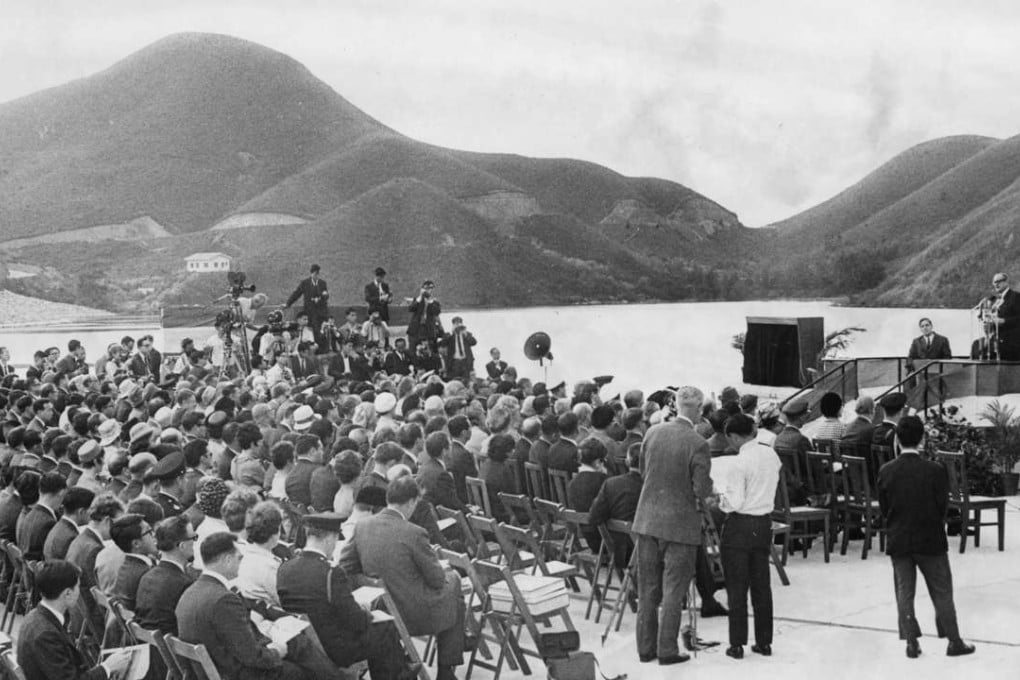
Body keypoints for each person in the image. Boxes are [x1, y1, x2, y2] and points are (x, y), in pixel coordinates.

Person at [339, 477, 466, 680]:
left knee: (453, 596)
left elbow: (345, 567)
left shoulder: (362, 526)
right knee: (455, 582)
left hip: (382, 609)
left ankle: (451, 653)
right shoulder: (414, 533)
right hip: (414, 614)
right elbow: (436, 580)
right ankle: (446, 667)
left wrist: (371, 582)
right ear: (410, 502)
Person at [877, 415, 976, 659]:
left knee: (904, 592)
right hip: (930, 538)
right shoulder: (935, 470)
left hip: (899, 538)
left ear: (897, 440)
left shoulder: (886, 471)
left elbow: (884, 506)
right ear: (922, 438)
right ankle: (953, 640)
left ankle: (911, 642)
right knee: (942, 590)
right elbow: (943, 505)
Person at [277, 512, 414, 680]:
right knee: (385, 627)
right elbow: (356, 621)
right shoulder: (331, 573)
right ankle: (400, 675)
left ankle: (402, 673)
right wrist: (366, 611)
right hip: (336, 648)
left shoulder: (284, 569)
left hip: (307, 645)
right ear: (330, 539)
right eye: (335, 541)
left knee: (380, 632)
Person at [632, 385, 713, 665]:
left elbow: (644, 472)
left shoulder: (652, 433)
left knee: (647, 590)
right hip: (680, 525)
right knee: (673, 591)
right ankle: (667, 650)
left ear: (676, 405)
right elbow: (701, 489)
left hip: (648, 519)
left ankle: (645, 648)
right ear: (699, 409)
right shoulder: (698, 442)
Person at [175, 532, 307, 680]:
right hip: (233, 674)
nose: (241, 562)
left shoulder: (190, 592)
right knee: (297, 670)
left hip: (209, 671)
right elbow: (252, 657)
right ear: (227, 560)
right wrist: (277, 651)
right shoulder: (223, 599)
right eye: (239, 558)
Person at [716, 413, 781, 659]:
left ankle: (737, 643)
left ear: (734, 436)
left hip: (739, 524)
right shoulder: (771, 454)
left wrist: (720, 498)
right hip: (763, 522)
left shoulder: (738, 462)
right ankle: (764, 641)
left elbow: (734, 502)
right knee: (761, 584)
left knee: (737, 586)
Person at [17, 560, 132, 680]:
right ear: (67, 593)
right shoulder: (46, 635)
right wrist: (107, 667)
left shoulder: (34, 617)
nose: (79, 591)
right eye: (77, 586)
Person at [135, 515, 197, 635]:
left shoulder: (147, 576)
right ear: (182, 546)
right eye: (194, 537)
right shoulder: (183, 584)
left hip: (152, 644)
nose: (195, 543)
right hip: (173, 649)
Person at [285, 264, 329, 341]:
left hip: (320, 311)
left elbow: (325, 296)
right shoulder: (305, 283)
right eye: (315, 274)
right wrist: (288, 303)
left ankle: (320, 347)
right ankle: (310, 344)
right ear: (311, 273)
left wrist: (322, 297)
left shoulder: (322, 283)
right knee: (311, 328)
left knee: (320, 329)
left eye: (317, 274)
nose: (316, 276)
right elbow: (297, 293)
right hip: (310, 311)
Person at [989, 272, 1020, 360]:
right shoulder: (994, 300)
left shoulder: (1016, 297)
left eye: (999, 281)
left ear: (1006, 282)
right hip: (996, 341)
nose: (996, 284)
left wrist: (1004, 321)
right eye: (994, 282)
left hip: (1012, 343)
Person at [407, 280, 443, 351]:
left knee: (431, 350)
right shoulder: (417, 300)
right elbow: (411, 309)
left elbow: (437, 312)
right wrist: (420, 297)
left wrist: (430, 300)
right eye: (426, 289)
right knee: (413, 350)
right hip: (416, 329)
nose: (428, 291)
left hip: (429, 330)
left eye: (430, 289)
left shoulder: (435, 302)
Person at [440, 316, 476, 381]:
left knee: (466, 380)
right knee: (455, 380)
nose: (458, 326)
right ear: (453, 324)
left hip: (466, 362)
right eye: (456, 323)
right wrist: (452, 332)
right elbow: (443, 343)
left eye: (459, 323)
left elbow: (473, 342)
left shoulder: (467, 334)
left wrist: (466, 334)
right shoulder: (449, 335)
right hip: (454, 362)